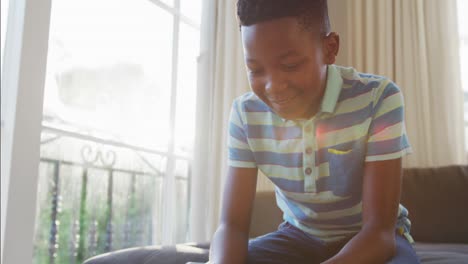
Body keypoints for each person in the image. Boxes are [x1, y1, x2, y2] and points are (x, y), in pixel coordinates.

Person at [208, 0, 420, 263]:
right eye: (256, 70)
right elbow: (232, 226)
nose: (274, 87)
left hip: (370, 240)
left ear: (330, 49)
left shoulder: (379, 98)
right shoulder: (245, 114)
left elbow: (379, 233)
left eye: (290, 66)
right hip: (297, 237)